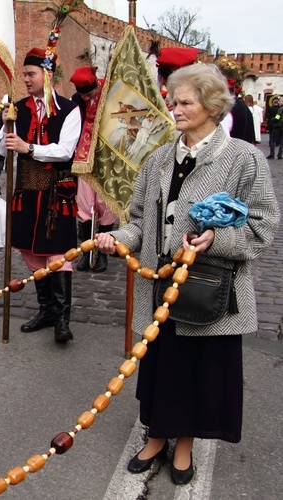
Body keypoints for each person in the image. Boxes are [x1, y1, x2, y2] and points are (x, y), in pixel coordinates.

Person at [94, 64, 279, 486]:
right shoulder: (160, 157)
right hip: (160, 286)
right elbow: (140, 219)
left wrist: (218, 238)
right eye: (173, 102)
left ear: (212, 106)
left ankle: (185, 445)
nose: (175, 110)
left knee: (198, 372)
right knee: (162, 368)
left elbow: (263, 226)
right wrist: (115, 237)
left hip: (208, 291)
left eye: (185, 102)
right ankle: (156, 436)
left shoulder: (243, 159)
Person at [0, 47, 82, 343]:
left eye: (30, 74)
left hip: (57, 193)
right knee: (32, 252)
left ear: (47, 75)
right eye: (23, 75)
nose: (25, 80)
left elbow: (65, 151)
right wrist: (5, 125)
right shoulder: (18, 108)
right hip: (27, 190)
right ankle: (46, 310)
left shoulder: (70, 109)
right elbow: (1, 149)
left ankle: (62, 320)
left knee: (58, 254)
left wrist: (29, 148)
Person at [69, 66, 118, 273]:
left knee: (105, 204)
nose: (86, 97)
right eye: (83, 94)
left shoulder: (109, 94)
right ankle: (86, 250)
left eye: (89, 93)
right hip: (83, 155)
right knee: (84, 204)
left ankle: (102, 253)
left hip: (106, 157)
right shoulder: (76, 100)